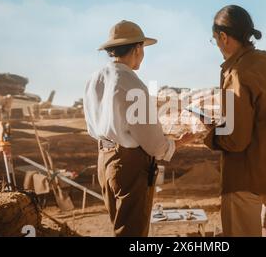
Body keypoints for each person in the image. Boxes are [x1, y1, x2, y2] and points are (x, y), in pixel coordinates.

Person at [83, 20, 194, 237]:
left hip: (104, 159)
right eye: (143, 48)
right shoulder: (132, 84)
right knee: (132, 233)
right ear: (137, 48)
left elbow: (92, 127)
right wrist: (179, 142)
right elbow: (154, 145)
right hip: (129, 165)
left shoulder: (94, 79)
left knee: (120, 227)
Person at [204, 5, 266, 237]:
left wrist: (210, 134)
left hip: (245, 181)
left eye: (214, 39)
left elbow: (236, 140)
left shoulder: (236, 73)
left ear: (223, 37)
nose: (216, 46)